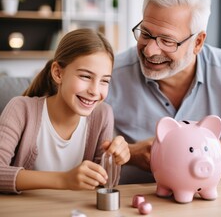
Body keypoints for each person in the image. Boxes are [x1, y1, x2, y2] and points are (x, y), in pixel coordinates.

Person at [106, 0, 221, 184]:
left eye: (167, 41)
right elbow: (80, 151)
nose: (150, 51)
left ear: (197, 42)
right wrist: (131, 153)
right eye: (145, 33)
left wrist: (184, 147)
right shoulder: (109, 75)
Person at [0, 28, 130, 194]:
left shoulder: (102, 114)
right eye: (85, 76)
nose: (95, 91)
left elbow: (106, 186)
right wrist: (64, 179)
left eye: (105, 81)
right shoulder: (21, 109)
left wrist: (113, 160)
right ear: (58, 73)